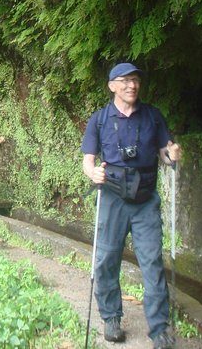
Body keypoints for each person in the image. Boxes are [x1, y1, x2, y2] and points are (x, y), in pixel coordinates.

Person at [80, 63, 181, 349]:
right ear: (112, 85)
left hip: (145, 201)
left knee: (151, 262)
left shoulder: (153, 117)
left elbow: (166, 153)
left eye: (135, 80)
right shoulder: (99, 120)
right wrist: (92, 172)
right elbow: (88, 159)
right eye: (124, 81)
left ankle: (160, 329)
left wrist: (173, 154)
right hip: (112, 198)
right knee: (106, 260)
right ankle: (111, 318)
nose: (131, 86)